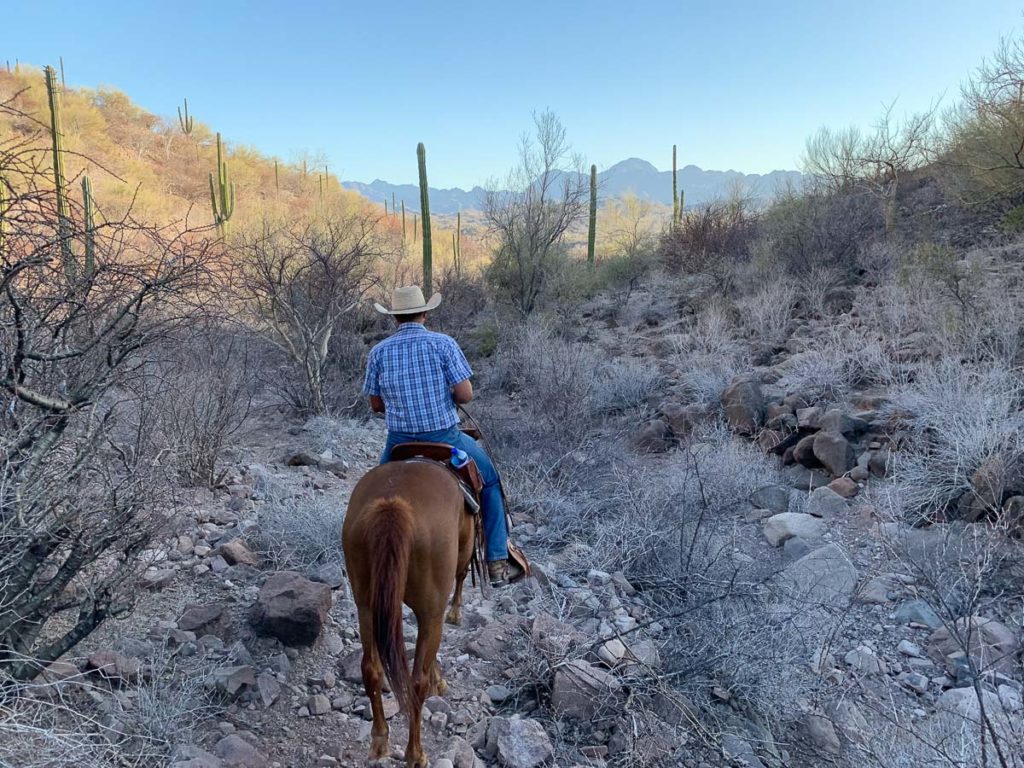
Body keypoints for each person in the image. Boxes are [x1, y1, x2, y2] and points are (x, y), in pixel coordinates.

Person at [363, 285, 524, 586]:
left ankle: (364, 556)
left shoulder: (378, 352)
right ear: (425, 312)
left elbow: (375, 405)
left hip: (399, 443)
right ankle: (498, 562)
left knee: (371, 492)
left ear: (395, 318)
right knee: (489, 482)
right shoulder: (443, 344)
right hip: (445, 439)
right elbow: (465, 394)